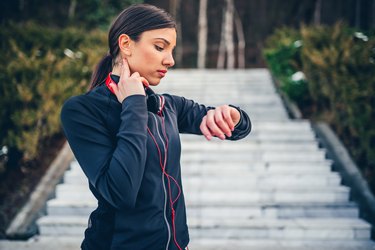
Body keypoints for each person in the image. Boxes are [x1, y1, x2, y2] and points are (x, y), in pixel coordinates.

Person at [60, 3, 251, 250]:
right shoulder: (83, 111)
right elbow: (121, 192)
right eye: (160, 47)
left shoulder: (166, 105)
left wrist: (233, 115)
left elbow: (239, 128)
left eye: (172, 50)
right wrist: (133, 103)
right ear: (126, 44)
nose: (170, 60)